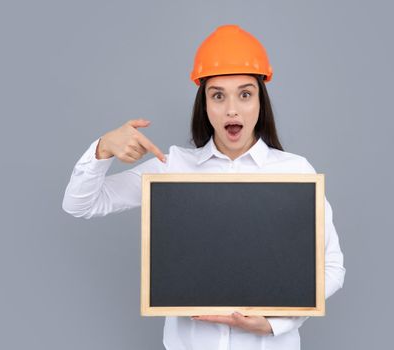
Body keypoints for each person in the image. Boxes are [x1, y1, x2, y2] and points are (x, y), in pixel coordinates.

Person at [62, 24, 345, 350]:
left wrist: (274, 324)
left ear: (260, 102)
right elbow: (79, 204)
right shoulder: (172, 169)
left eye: (244, 94)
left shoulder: (296, 172)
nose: (232, 109)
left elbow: (333, 267)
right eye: (218, 96)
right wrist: (102, 148)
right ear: (205, 104)